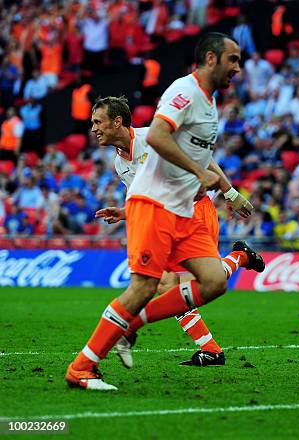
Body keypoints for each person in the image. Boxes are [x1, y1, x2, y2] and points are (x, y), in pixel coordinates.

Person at [66, 33, 254, 391]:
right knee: (148, 286)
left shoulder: (209, 105)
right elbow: (158, 137)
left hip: (185, 210)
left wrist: (226, 188)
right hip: (157, 209)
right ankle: (82, 368)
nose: (238, 67)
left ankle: (131, 325)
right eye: (233, 59)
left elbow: (199, 157)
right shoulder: (185, 91)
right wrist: (199, 175)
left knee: (213, 281)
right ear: (211, 58)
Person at [91, 95, 264, 368]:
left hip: (195, 211)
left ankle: (239, 261)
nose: (93, 129)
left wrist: (230, 193)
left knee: (186, 282)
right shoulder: (120, 164)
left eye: (98, 122)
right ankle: (211, 348)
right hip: (168, 219)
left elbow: (202, 159)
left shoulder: (152, 138)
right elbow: (144, 195)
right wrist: (125, 213)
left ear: (118, 121)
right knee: (167, 285)